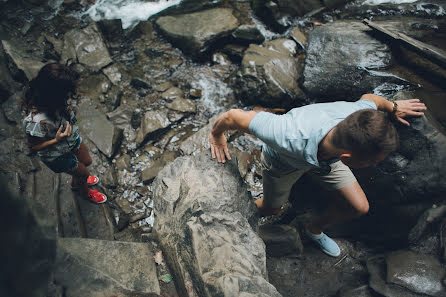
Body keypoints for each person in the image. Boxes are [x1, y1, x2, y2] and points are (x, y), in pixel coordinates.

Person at [209, 94, 426, 257]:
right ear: (348, 158)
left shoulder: (359, 114)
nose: (375, 165)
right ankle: (229, 219)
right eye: (372, 162)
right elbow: (233, 116)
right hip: (284, 162)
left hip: (327, 160)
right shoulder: (286, 132)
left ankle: (313, 229)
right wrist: (216, 135)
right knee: (271, 208)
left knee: (359, 207)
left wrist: (394, 106)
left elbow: (371, 99)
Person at [22, 63, 107, 204]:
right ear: (54, 93)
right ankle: (85, 192)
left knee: (87, 162)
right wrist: (56, 139)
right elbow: (33, 147)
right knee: (84, 173)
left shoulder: (56, 102)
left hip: (71, 140)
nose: (69, 95)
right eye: (66, 93)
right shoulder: (36, 120)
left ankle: (77, 181)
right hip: (56, 154)